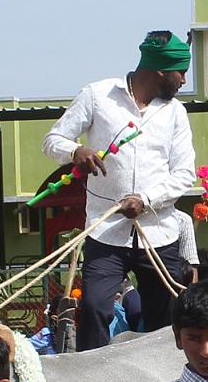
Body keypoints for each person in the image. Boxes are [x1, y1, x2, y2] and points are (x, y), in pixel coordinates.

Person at [44, 30, 198, 348]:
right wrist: (76, 152)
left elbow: (185, 174)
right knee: (94, 307)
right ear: (159, 71)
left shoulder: (175, 113)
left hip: (159, 234)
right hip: (106, 231)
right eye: (180, 72)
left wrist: (145, 200)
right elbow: (53, 140)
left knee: (165, 318)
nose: (183, 81)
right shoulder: (98, 96)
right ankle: (92, 381)